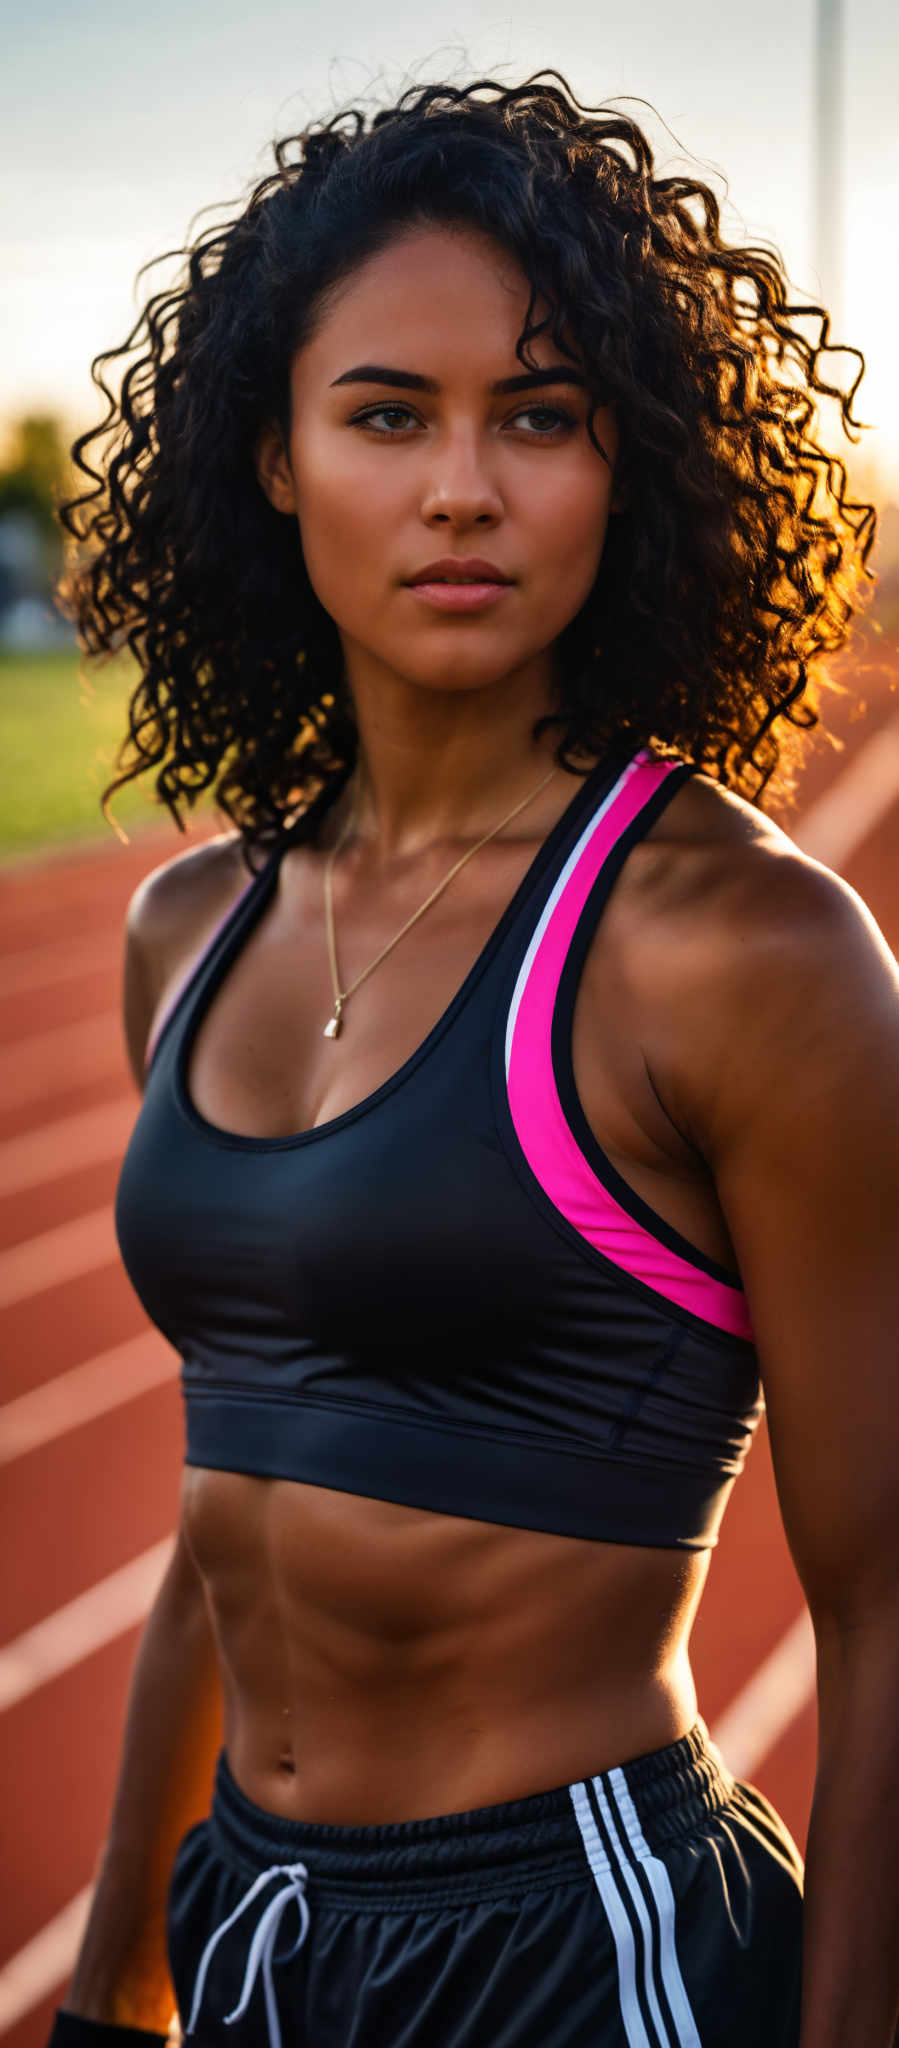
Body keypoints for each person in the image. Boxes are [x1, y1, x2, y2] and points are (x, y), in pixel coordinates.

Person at [49, 72, 899, 2048]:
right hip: (251, 1925)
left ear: (635, 470)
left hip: (581, 1943)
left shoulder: (744, 948)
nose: (462, 488)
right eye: (386, 413)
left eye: (540, 416)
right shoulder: (191, 936)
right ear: (270, 457)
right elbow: (222, 1507)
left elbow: (884, 1608)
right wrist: (112, 1987)